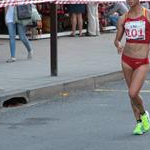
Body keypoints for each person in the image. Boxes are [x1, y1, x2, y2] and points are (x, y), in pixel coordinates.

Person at [114, 0, 150, 135]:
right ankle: (139, 123)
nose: (129, 0)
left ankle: (144, 113)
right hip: (126, 60)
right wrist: (118, 44)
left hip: (142, 61)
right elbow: (117, 39)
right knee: (132, 95)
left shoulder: (147, 15)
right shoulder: (123, 18)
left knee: (133, 93)